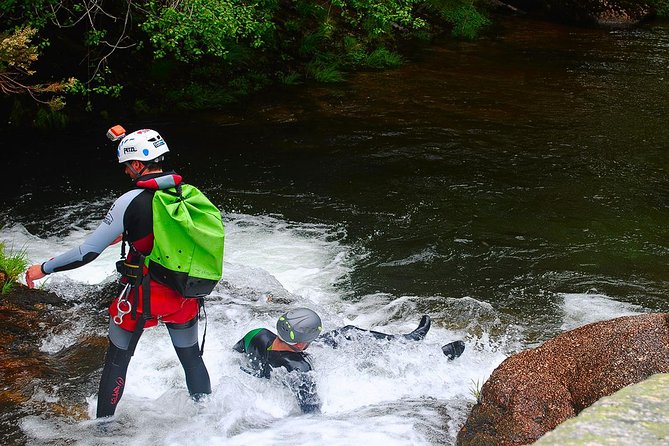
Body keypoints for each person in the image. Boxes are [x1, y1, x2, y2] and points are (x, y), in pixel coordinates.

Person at [24, 128, 212, 418]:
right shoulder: (186, 193)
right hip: (184, 294)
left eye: (127, 165)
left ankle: (103, 429)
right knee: (191, 359)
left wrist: (43, 268)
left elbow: (87, 253)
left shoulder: (130, 200)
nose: (126, 171)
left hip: (142, 298)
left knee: (116, 363)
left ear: (138, 164)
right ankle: (208, 418)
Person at [233, 307, 464, 414]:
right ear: (303, 342)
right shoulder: (300, 368)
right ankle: (434, 358)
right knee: (364, 358)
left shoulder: (258, 333)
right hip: (287, 363)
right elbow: (311, 413)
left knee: (348, 332)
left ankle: (408, 340)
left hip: (280, 355)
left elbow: (236, 351)